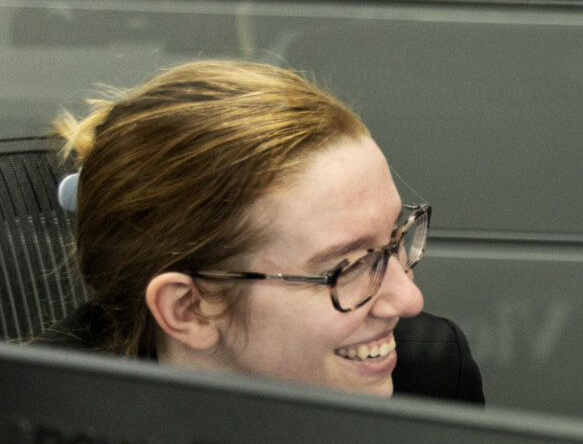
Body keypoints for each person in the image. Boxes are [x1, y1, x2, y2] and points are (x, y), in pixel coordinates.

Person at [39, 59, 483, 403]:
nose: (408, 300)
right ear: (188, 308)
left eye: (393, 240)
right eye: (347, 267)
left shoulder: (429, 375)